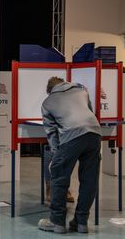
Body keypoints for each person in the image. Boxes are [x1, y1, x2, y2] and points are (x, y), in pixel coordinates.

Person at [38, 77, 101, 234]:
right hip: (94, 134)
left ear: (49, 90)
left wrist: (56, 153)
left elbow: (51, 132)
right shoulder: (82, 91)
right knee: (89, 180)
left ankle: (57, 222)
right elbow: (90, 111)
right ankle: (81, 223)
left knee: (59, 177)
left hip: (72, 135)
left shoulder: (48, 102)